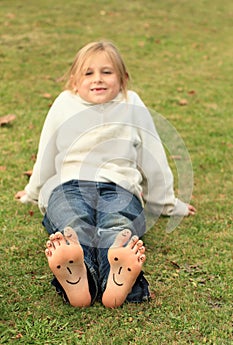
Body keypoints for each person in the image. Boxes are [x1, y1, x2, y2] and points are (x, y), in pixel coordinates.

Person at [15, 41, 196, 308]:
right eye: (88, 73)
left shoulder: (131, 103)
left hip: (120, 187)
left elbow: (154, 157)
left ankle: (117, 274)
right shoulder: (64, 103)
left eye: (107, 72)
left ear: (123, 79)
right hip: (69, 185)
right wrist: (33, 191)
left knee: (118, 226)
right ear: (75, 81)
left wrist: (166, 202)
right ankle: (77, 276)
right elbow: (47, 151)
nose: (97, 79)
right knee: (72, 225)